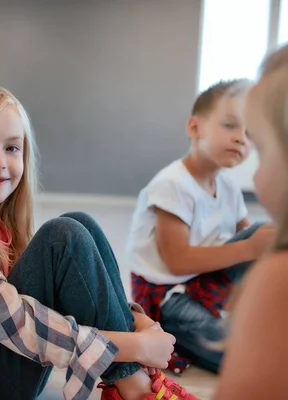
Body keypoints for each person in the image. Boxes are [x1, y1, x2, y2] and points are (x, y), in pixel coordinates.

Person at [0, 83, 197, 400]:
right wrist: (133, 346)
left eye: (12, 148)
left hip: (6, 368)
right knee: (62, 237)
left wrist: (137, 322)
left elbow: (76, 287)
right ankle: (136, 389)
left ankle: (131, 384)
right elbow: (21, 325)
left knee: (79, 223)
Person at [126, 79, 275, 373]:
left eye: (249, 132)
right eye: (230, 125)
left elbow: (250, 243)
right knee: (242, 356)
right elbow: (177, 260)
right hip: (169, 297)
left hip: (203, 283)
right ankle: (192, 339)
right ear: (195, 128)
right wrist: (248, 247)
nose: (241, 138)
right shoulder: (172, 184)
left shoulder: (228, 186)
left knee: (265, 234)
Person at [214, 44, 288, 399]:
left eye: (259, 149)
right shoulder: (172, 187)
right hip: (178, 292)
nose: (255, 179)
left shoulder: (278, 280)